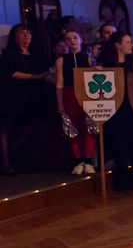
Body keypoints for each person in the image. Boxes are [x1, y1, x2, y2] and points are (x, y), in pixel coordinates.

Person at [99, 32, 133, 190]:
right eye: (127, 42)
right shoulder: (106, 63)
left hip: (132, 106)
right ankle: (121, 181)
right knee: (118, 142)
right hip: (115, 108)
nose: (130, 44)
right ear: (117, 45)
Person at [0, 24, 51, 176]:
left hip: (31, 96)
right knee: (6, 128)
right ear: (14, 36)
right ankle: (5, 162)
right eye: (22, 33)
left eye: (28, 33)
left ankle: (15, 157)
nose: (26, 35)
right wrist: (34, 77)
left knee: (28, 129)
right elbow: (10, 73)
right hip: (12, 95)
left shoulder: (36, 54)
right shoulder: (9, 54)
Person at [55, 30, 95, 175]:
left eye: (74, 38)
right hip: (69, 94)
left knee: (88, 126)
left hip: (86, 95)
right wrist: (60, 103)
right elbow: (59, 83)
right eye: (68, 39)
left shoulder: (89, 59)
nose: (72, 41)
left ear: (80, 40)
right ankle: (78, 161)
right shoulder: (61, 60)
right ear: (65, 42)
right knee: (72, 128)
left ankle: (89, 160)